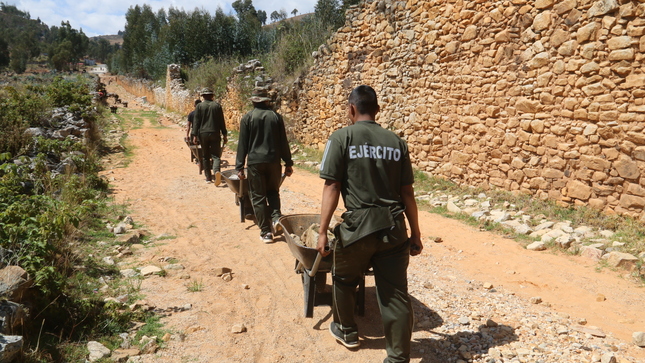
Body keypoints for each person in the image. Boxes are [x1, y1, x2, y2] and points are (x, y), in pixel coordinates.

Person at [316, 85, 423, 363]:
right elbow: (407, 193)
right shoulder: (397, 142)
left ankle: (347, 330)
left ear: (351, 109)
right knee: (396, 293)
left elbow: (332, 186)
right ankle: (398, 357)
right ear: (377, 109)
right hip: (393, 229)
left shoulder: (341, 137)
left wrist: (321, 232)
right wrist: (416, 234)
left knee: (343, 277)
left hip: (357, 229)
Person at [236, 88, 294, 243]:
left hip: (255, 163)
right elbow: (283, 142)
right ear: (266, 101)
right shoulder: (276, 117)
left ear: (254, 101)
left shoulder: (247, 118)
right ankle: (276, 219)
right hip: (274, 161)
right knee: (273, 192)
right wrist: (288, 163)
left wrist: (240, 167)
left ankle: (266, 232)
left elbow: (243, 144)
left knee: (258, 197)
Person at [191, 88, 227, 185]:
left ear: (203, 96)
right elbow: (221, 121)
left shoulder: (199, 106)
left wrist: (194, 135)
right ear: (212, 96)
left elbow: (196, 122)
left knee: (205, 156)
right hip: (215, 133)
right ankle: (216, 172)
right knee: (216, 155)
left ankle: (208, 177)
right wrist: (224, 134)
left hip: (203, 134)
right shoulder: (217, 106)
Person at [186, 99, 201, 163]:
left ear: (194, 105)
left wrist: (187, 135)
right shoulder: (204, 114)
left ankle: (197, 156)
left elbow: (188, 125)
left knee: (194, 146)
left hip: (194, 132)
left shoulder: (191, 114)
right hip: (202, 132)